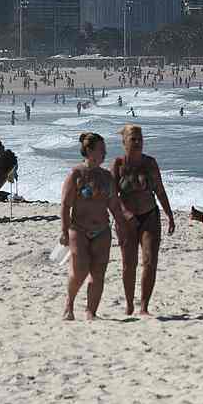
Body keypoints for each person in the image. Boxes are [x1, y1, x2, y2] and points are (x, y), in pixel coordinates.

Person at [60, 133, 125, 321]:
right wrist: (64, 231)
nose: (105, 154)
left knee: (98, 273)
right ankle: (69, 304)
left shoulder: (106, 176)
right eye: (101, 150)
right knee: (79, 270)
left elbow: (113, 205)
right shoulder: (76, 174)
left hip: (102, 231)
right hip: (78, 229)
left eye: (105, 150)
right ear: (89, 151)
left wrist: (121, 226)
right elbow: (65, 205)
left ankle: (91, 312)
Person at [112, 124, 175, 316]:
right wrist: (124, 213)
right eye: (133, 139)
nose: (138, 142)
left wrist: (169, 215)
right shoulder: (118, 165)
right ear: (124, 142)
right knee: (128, 264)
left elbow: (160, 190)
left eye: (140, 139)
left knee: (149, 261)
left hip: (149, 215)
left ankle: (144, 307)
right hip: (126, 221)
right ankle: (130, 304)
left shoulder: (150, 163)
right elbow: (112, 196)